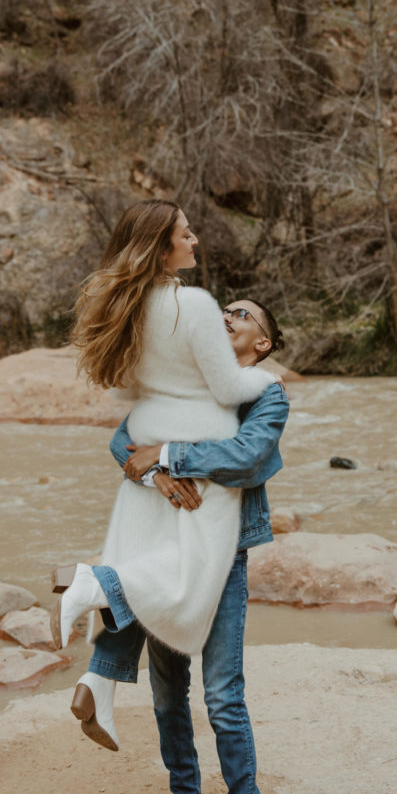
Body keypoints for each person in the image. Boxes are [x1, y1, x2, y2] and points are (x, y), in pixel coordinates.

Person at [88, 297, 289, 794]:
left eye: (244, 316)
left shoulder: (266, 393)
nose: (228, 317)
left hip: (221, 557)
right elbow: (126, 440)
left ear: (264, 345)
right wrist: (152, 472)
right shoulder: (183, 378)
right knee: (167, 688)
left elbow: (249, 458)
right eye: (224, 309)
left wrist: (172, 454)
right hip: (163, 550)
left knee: (223, 696)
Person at [51, 199, 276, 723]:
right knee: (186, 579)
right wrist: (269, 378)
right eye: (186, 233)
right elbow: (226, 386)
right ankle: (95, 584)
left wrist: (154, 453)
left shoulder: (126, 306)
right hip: (198, 456)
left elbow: (123, 392)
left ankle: (100, 681)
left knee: (146, 561)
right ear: (162, 245)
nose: (195, 240)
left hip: (146, 445)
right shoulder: (194, 305)